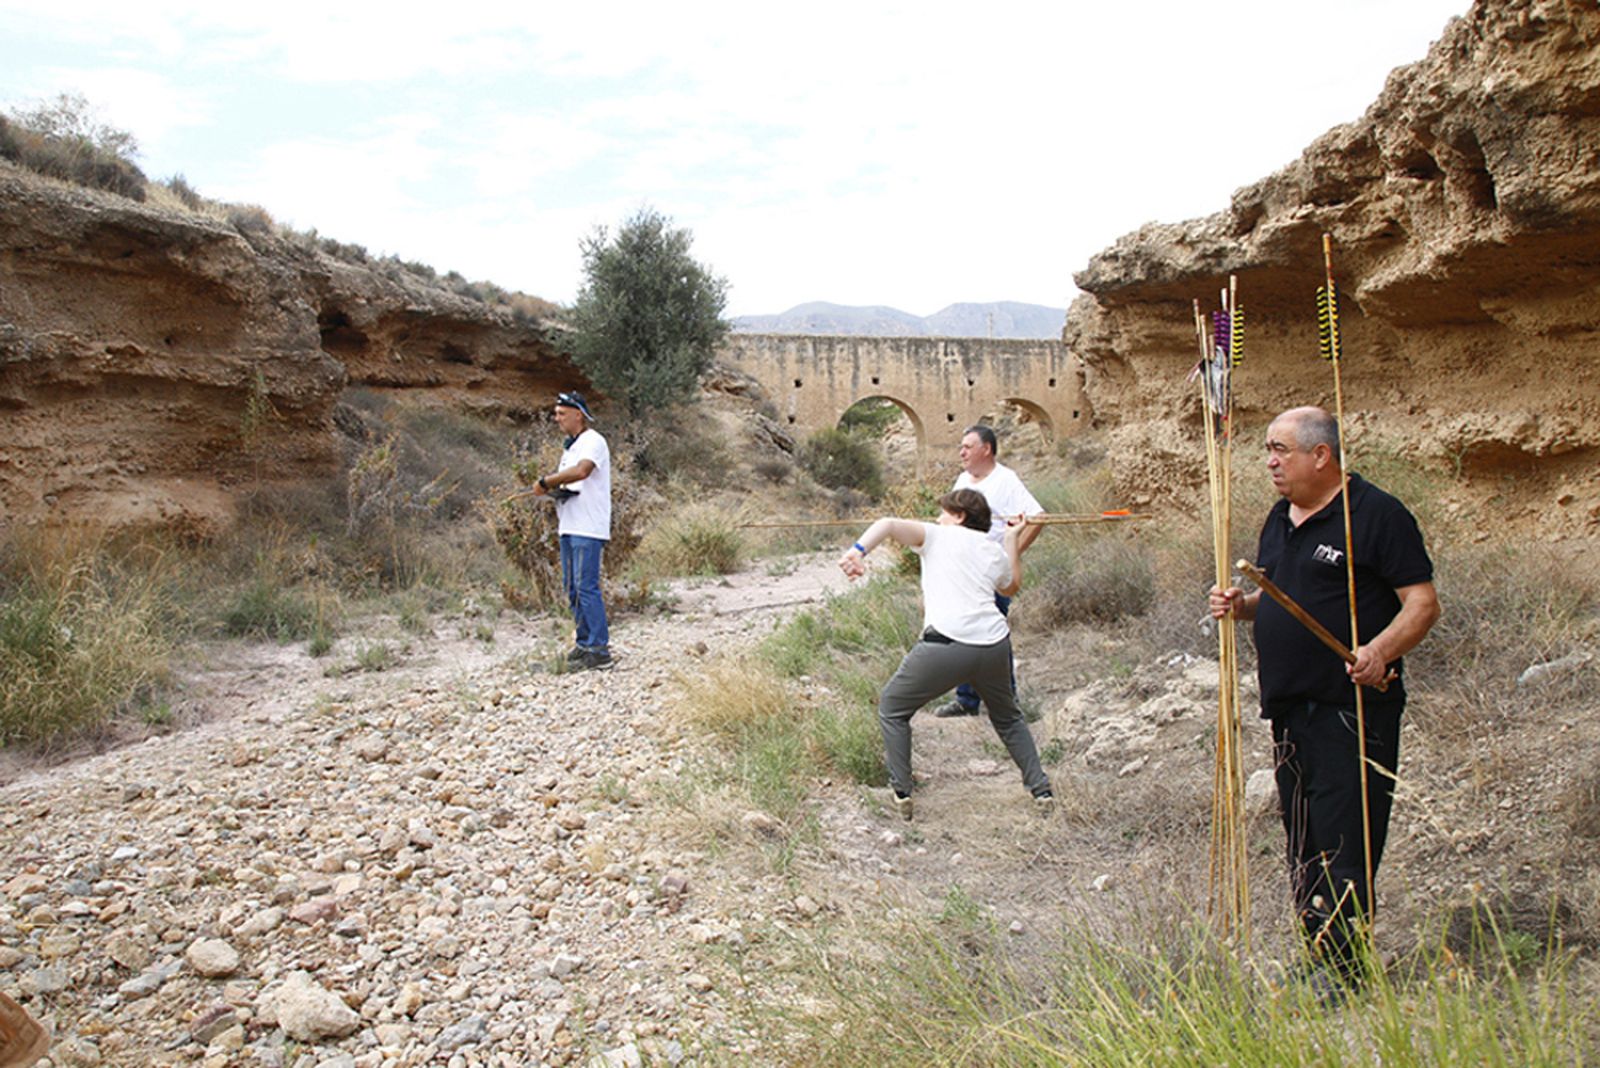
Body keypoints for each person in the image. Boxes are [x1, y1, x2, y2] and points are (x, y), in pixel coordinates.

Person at [1210, 406, 1440, 992]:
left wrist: (1380, 651)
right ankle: (1319, 950)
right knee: (1305, 835)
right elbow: (1279, 596)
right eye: (1268, 449)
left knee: (1346, 835)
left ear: (1321, 455)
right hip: (1290, 706)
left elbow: (1422, 603)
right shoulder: (1279, 517)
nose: (1270, 461)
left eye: (1280, 449)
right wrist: (1241, 605)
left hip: (1352, 708)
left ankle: (1347, 968)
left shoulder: (1376, 514)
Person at [840, 488, 1055, 821]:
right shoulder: (992, 549)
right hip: (994, 645)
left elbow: (887, 524)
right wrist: (1012, 540)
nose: (937, 518)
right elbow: (1010, 586)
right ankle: (1041, 790)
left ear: (959, 516)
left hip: (946, 644)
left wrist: (857, 552)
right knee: (1009, 718)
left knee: (893, 707)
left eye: (943, 512)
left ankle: (902, 792)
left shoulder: (937, 536)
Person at [933, 424, 1045, 717]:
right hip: (961, 573)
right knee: (961, 634)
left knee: (994, 638)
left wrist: (1011, 554)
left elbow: (1038, 517)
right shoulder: (962, 479)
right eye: (961, 447)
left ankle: (1007, 704)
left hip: (990, 573)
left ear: (986, 449)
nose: (962, 452)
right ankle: (966, 700)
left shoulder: (1006, 480)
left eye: (968, 447)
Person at [532, 390, 614, 671]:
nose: (557, 419)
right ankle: (584, 643)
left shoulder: (593, 441)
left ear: (578, 414)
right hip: (569, 524)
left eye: (561, 414)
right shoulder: (571, 447)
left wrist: (547, 481)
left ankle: (599, 650)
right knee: (572, 587)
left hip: (587, 526)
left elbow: (582, 472)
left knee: (586, 586)